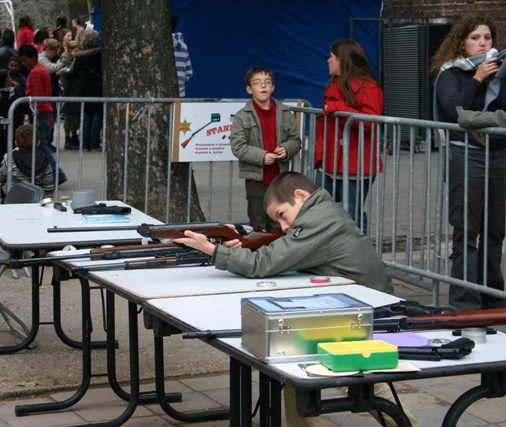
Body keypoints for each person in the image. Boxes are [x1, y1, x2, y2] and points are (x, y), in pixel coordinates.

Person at [173, 171, 421, 427]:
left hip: (367, 316)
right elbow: (283, 254)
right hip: (360, 309)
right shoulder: (323, 211)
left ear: (300, 196)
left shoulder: (317, 220)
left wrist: (210, 249)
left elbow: (264, 263)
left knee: (305, 370)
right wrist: (236, 248)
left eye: (282, 215)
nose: (284, 227)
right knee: (347, 379)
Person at [431, 16, 506, 311]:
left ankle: (492, 294)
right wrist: (477, 79)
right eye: (475, 37)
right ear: (462, 41)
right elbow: (453, 109)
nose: (483, 43)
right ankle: (465, 300)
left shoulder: (500, 71)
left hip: (499, 154)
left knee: (495, 229)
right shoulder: (452, 73)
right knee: (467, 227)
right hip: (467, 154)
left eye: (487, 37)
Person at [313, 39, 383, 234]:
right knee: (321, 212)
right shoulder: (335, 84)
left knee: (351, 214)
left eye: (332, 57)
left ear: (342, 60)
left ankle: (359, 258)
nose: (328, 60)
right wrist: (319, 156)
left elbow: (369, 123)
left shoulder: (369, 88)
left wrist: (338, 109)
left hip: (354, 164)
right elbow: (323, 126)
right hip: (329, 163)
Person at [229, 66, 301, 232]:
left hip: (279, 180)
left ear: (273, 87)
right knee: (258, 223)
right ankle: (258, 256)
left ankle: (278, 257)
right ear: (249, 89)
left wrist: (286, 149)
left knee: (279, 223)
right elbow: (238, 146)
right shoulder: (242, 116)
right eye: (257, 83)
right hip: (256, 181)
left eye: (267, 82)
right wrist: (262, 156)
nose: (263, 86)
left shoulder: (284, 112)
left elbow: (295, 140)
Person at [18, 42, 67, 184]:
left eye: (25, 60)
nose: (24, 63)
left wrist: (37, 116)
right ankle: (53, 174)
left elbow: (38, 96)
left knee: (41, 145)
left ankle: (57, 174)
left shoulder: (36, 72)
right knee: (41, 144)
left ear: (33, 58)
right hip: (45, 110)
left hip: (39, 112)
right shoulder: (42, 70)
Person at [0, 123, 55, 199]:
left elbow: (1, 177)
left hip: (13, 201)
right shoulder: (44, 161)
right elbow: (49, 186)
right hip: (36, 201)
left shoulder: (10, 159)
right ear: (38, 143)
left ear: (16, 143)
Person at [69, 30, 103, 152]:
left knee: (87, 116)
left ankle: (85, 144)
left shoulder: (78, 57)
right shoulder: (98, 56)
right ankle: (94, 144)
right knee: (97, 116)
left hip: (84, 88)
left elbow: (76, 74)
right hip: (97, 88)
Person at [0, 69, 30, 159]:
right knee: (15, 157)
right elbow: (26, 109)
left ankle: (2, 172)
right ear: (7, 80)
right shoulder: (17, 95)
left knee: (1, 158)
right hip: (15, 130)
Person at [171, 14, 192, 97]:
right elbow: (189, 72)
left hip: (158, 95)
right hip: (179, 93)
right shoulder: (182, 47)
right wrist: (180, 81)